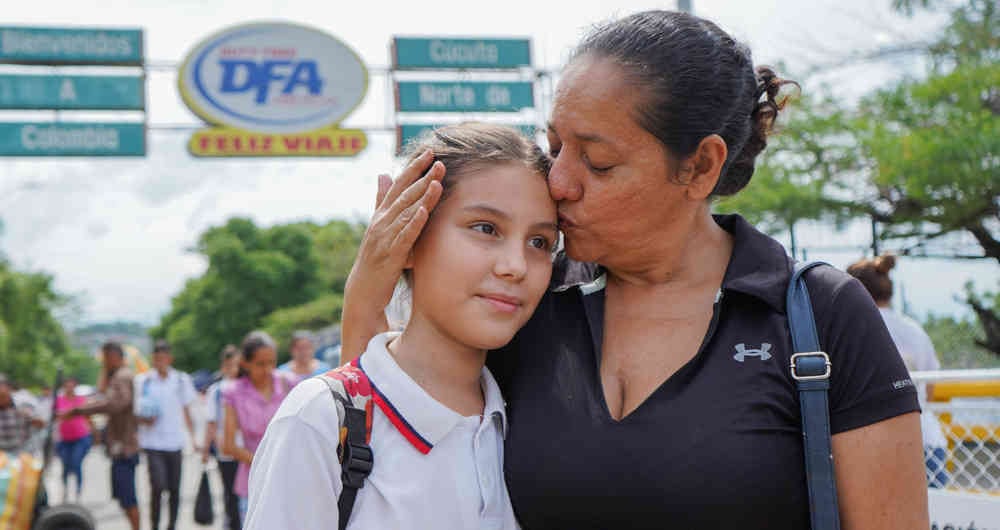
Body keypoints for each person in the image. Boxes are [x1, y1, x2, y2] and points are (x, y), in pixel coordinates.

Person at [340, 11, 929, 530]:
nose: (558, 182)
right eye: (555, 147)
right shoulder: (532, 300)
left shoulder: (816, 314)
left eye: (597, 161)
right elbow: (388, 440)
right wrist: (368, 289)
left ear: (700, 166)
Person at [246, 123, 554, 530]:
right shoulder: (317, 420)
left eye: (540, 242)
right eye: (485, 228)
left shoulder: (534, 431)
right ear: (407, 239)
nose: (516, 266)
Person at [848, 253, 950, 488]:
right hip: (925, 436)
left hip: (872, 443)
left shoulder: (852, 331)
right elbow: (929, 386)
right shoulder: (913, 330)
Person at [61, 341, 141, 530]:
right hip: (120, 446)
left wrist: (79, 410)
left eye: (105, 358)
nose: (103, 362)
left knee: (128, 497)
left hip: (124, 447)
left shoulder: (122, 376)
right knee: (124, 497)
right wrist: (105, 373)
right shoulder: (117, 376)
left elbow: (116, 403)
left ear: (114, 357)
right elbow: (103, 392)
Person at [223, 331, 298, 524]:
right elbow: (228, 446)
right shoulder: (233, 392)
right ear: (245, 363)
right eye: (260, 364)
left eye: (271, 362)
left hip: (290, 479)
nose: (267, 369)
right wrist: (265, 464)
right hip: (253, 482)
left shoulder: (289, 383)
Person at [135, 340, 197, 530]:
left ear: (170, 359)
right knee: (157, 486)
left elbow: (187, 410)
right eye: (157, 358)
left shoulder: (181, 380)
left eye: (164, 358)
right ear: (153, 359)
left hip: (175, 441)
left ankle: (171, 525)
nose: (160, 362)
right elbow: (136, 411)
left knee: (174, 488)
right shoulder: (143, 381)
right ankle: (154, 525)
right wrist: (144, 420)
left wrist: (194, 438)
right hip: (152, 442)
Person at [202, 345, 243, 530]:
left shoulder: (247, 386)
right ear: (223, 366)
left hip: (247, 448)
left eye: (236, 364)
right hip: (226, 450)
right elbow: (211, 422)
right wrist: (206, 449)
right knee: (230, 492)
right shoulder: (217, 390)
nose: (233, 369)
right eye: (229, 365)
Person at [54, 377, 94, 503]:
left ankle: (78, 492)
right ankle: (65, 490)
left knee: (76, 463)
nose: (69, 388)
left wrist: (94, 433)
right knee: (65, 465)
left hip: (80, 437)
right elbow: (55, 416)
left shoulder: (81, 400)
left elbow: (88, 417)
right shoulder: (58, 400)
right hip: (64, 439)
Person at [0, 374, 44, 453]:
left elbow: (41, 424)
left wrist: (29, 416)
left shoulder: (22, 404)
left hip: (22, 452)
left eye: (1, 386)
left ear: (9, 389)